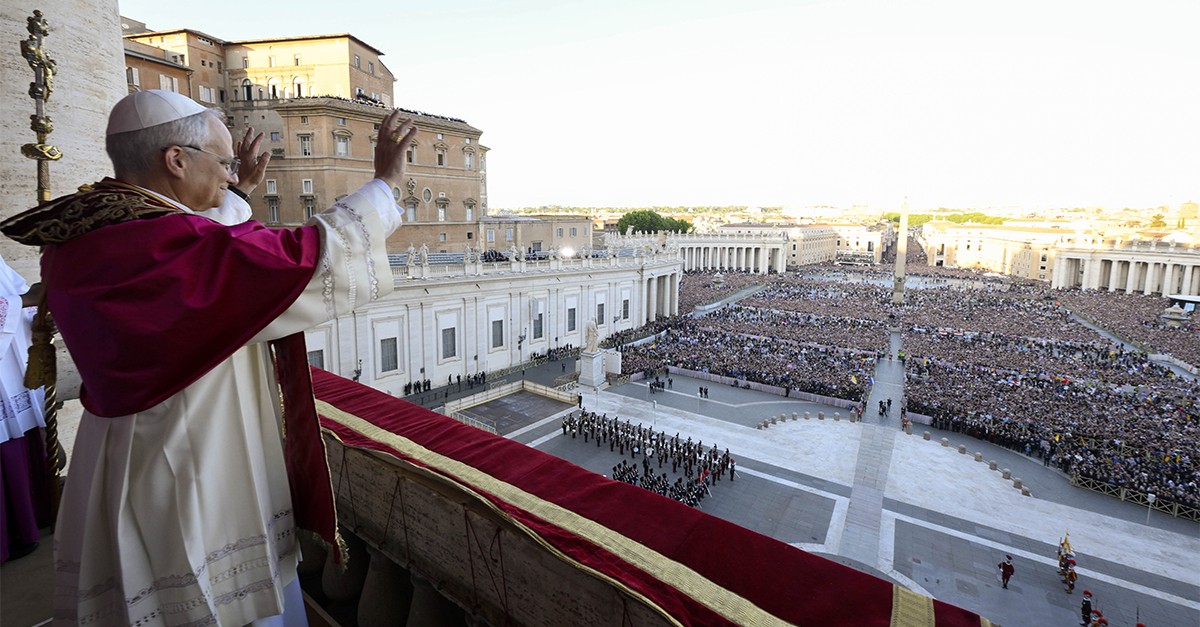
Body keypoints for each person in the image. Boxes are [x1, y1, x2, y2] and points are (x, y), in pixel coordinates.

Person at [0, 90, 418, 626]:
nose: (228, 176)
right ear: (175, 160)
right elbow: (299, 260)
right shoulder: (167, 247)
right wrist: (384, 184)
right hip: (189, 455)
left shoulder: (90, 229)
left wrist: (237, 190)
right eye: (220, 164)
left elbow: (209, 241)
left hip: (126, 448)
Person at [0, 254, 48, 563]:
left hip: (12, 371)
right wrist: (27, 299)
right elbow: (19, 296)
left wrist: (38, 315)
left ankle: (30, 521)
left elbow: (14, 292)